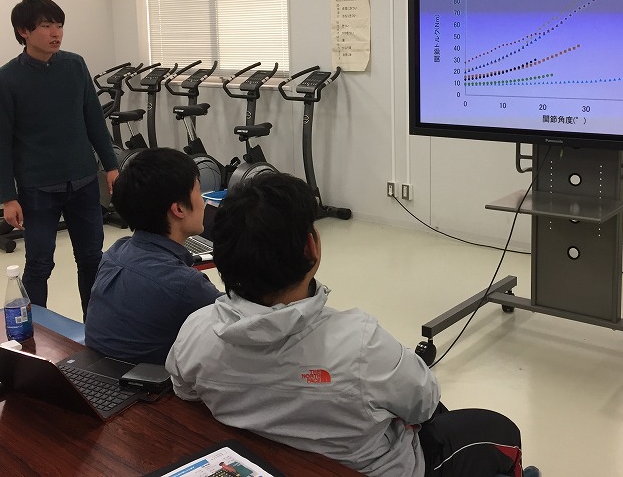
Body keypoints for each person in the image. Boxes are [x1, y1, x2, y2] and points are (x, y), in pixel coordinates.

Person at [166, 172, 536, 477]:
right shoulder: (360, 343)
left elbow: (186, 393)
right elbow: (423, 404)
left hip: (269, 460)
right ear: (311, 248)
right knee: (499, 431)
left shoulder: (196, 330)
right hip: (382, 467)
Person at [0, 0, 119, 316]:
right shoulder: (4, 80)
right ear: (24, 31)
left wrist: (112, 167)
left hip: (84, 181)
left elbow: (94, 120)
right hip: (37, 188)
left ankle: (95, 328)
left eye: (59, 25)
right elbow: (0, 144)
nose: (55, 33)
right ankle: (36, 332)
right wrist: (8, 197)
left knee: (92, 259)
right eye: (46, 26)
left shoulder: (75, 66)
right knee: (39, 264)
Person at [85, 148, 222, 364]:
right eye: (198, 190)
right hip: (149, 384)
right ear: (179, 209)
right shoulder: (185, 285)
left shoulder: (114, 253)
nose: (202, 200)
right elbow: (241, 323)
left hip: (96, 375)